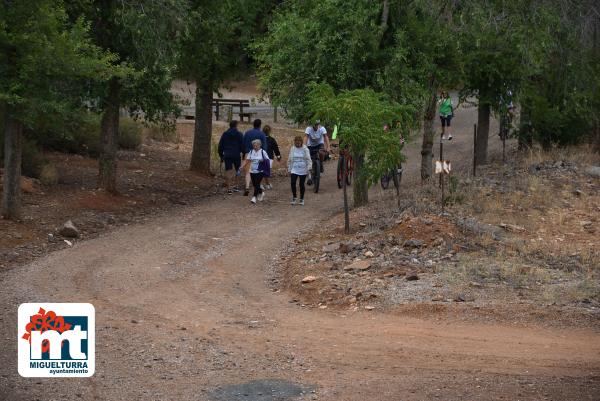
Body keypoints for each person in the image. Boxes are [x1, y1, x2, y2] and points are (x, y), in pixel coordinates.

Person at [242, 119, 268, 196]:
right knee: (257, 171)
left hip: (248, 153)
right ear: (260, 125)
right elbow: (264, 146)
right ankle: (257, 186)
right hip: (258, 155)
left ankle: (247, 187)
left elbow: (243, 144)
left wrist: (244, 153)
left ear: (253, 124)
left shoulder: (247, 133)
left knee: (248, 172)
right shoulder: (262, 134)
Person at [217, 120, 244, 194]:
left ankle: (229, 188)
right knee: (237, 169)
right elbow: (242, 145)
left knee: (228, 170)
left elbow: (220, 146)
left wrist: (221, 155)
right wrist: (243, 153)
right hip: (236, 154)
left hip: (227, 154)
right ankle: (236, 186)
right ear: (236, 125)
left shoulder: (225, 134)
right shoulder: (239, 134)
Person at [242, 139, 270, 204]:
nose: (255, 147)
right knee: (255, 184)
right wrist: (242, 166)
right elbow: (247, 160)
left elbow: (267, 160)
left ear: (260, 145)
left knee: (257, 183)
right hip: (252, 171)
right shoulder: (251, 152)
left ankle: (254, 197)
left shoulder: (263, 152)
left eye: (256, 146)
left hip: (260, 171)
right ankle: (261, 192)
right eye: (253, 146)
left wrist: (263, 160)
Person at [287, 135, 311, 206]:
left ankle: (302, 198)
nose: (297, 144)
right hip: (294, 168)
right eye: (296, 143)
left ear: (301, 142)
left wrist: (309, 168)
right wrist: (289, 169)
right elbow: (290, 159)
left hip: (303, 169)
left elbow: (308, 159)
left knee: (301, 184)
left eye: (298, 143)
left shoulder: (305, 149)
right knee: (293, 183)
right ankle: (294, 197)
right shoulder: (293, 148)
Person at [263, 125, 281, 189]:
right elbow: (276, 148)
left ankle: (264, 183)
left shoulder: (261, 139)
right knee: (267, 170)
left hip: (261, 157)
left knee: (263, 170)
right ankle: (267, 184)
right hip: (269, 157)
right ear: (270, 131)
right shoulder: (272, 139)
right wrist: (278, 156)